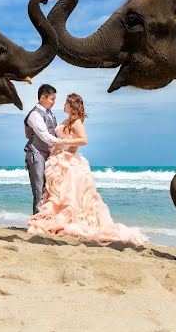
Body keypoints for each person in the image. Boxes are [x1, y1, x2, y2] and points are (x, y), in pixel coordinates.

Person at [27, 93, 146, 246]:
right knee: (59, 194)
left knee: (70, 195)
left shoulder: (76, 122)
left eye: (66, 102)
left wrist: (63, 141)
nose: (63, 104)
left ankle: (69, 220)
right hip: (58, 160)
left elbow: (84, 140)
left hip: (69, 162)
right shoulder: (66, 120)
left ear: (72, 105)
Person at [24, 84, 64, 214]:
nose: (54, 102)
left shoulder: (50, 114)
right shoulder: (35, 114)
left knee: (49, 188)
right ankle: (36, 220)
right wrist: (64, 142)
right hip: (37, 153)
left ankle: (45, 219)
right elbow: (45, 136)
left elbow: (55, 132)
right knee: (39, 187)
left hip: (49, 154)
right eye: (52, 99)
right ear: (43, 98)